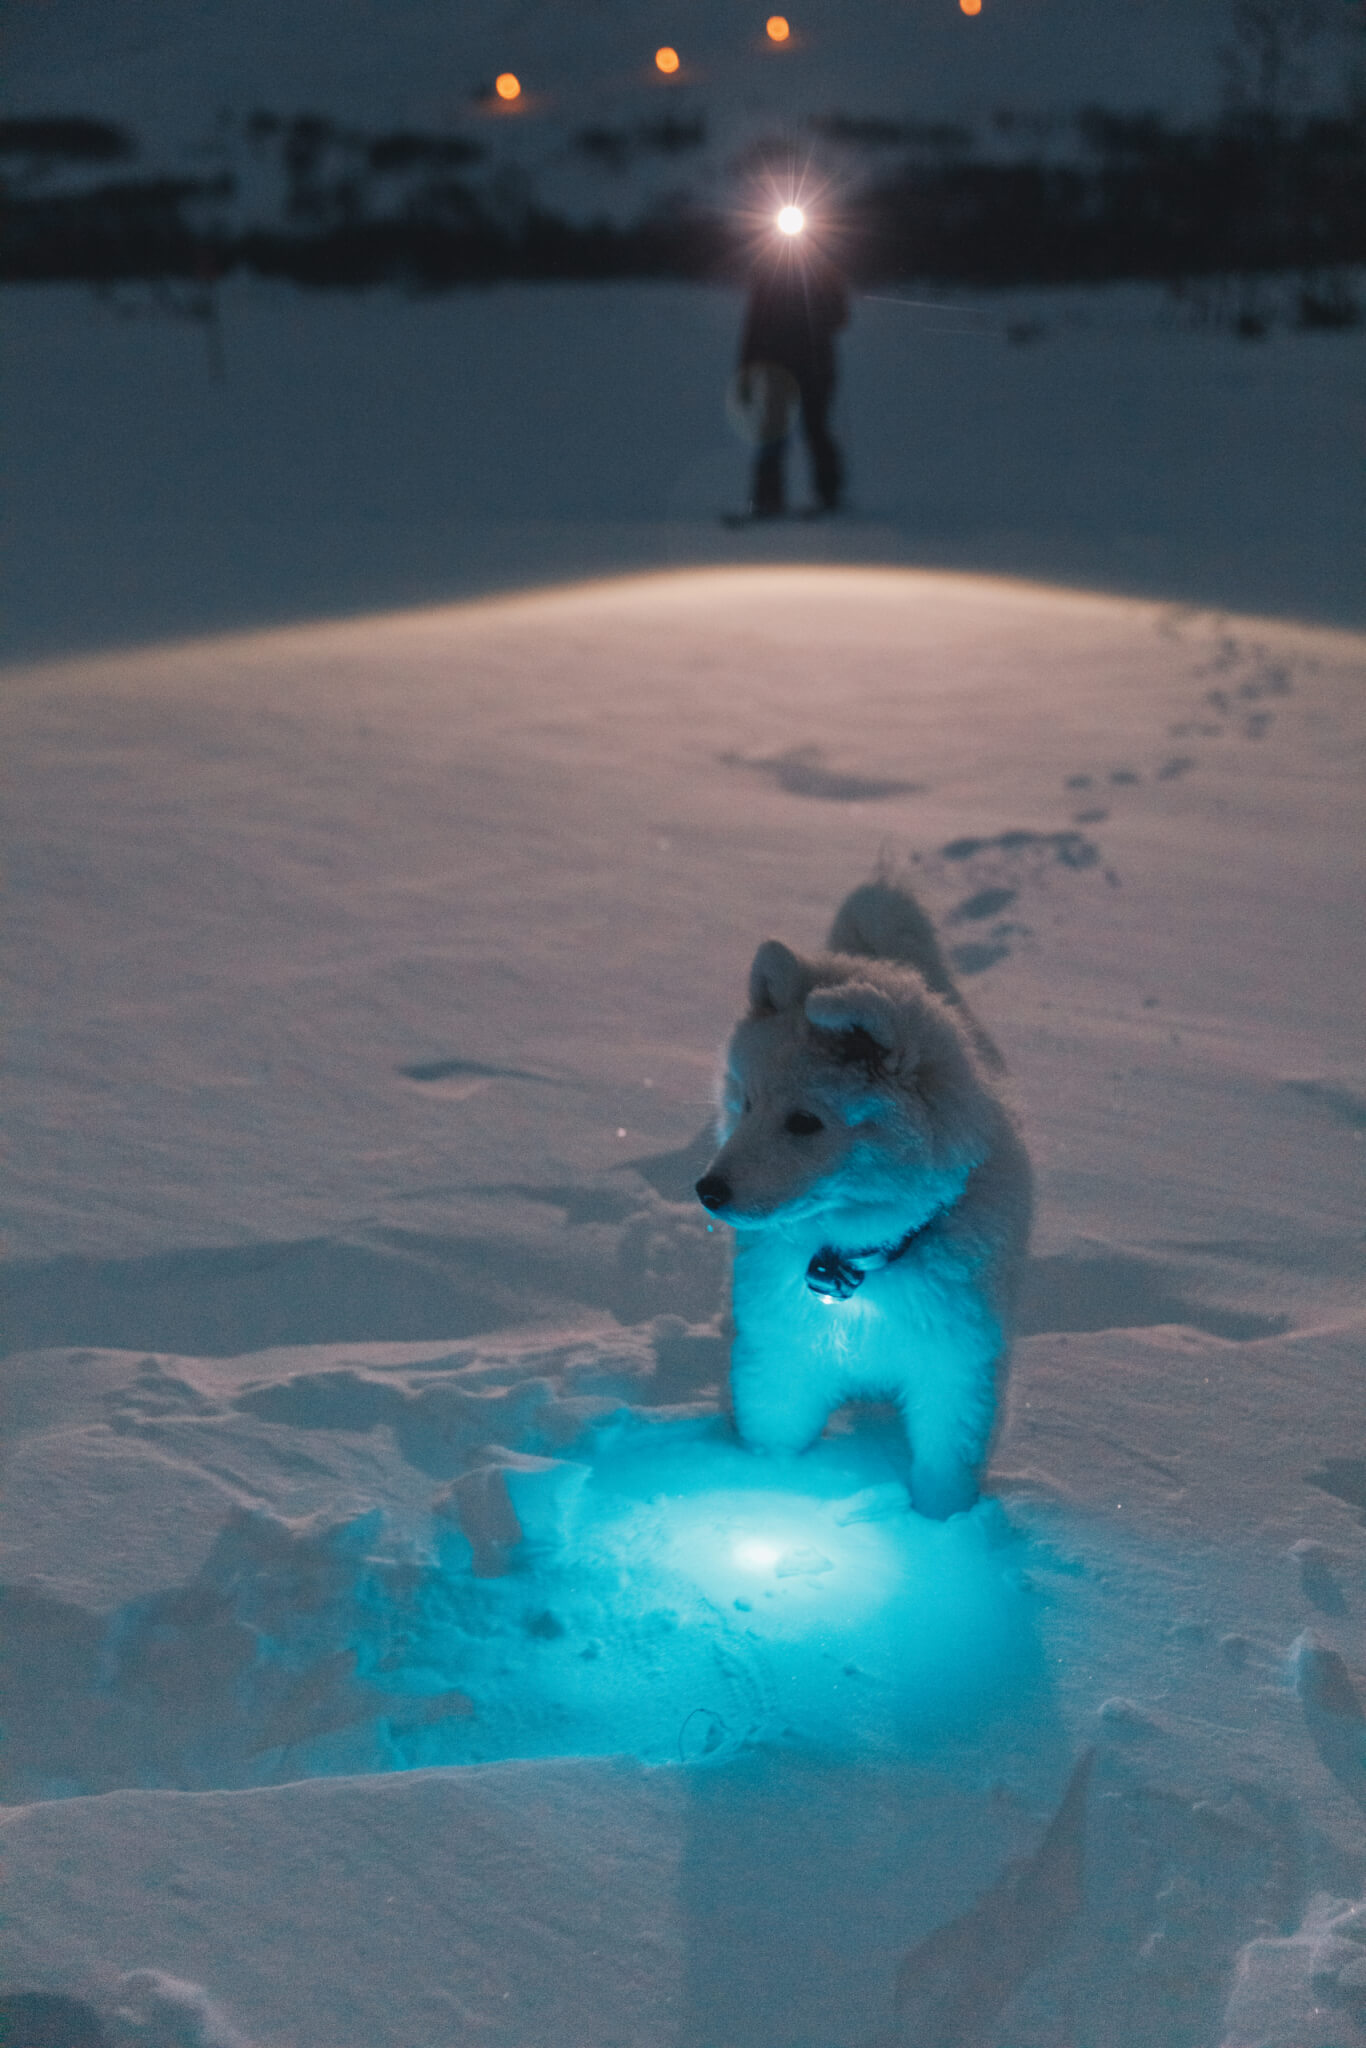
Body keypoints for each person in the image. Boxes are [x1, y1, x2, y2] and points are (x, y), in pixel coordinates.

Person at [737, 232, 849, 518]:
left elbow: (840, 316)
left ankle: (830, 496)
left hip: (814, 367)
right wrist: (746, 369)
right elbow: (754, 325)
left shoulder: (823, 272)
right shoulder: (767, 275)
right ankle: (767, 500)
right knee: (772, 432)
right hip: (777, 369)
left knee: (815, 431)